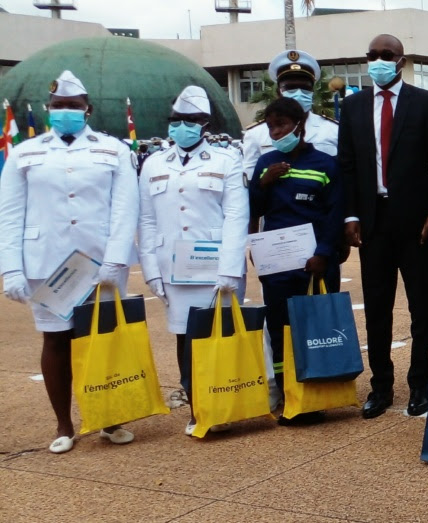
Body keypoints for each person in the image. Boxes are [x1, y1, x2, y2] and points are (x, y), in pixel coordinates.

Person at [0, 71, 139, 453]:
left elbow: (125, 209)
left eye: (73, 107)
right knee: (56, 340)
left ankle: (110, 418)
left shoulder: (113, 150)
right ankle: (64, 423)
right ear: (49, 110)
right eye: (59, 106)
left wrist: (114, 259)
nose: (65, 112)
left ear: (87, 110)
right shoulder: (26, 153)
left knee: (104, 340)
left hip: (99, 263)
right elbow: (9, 214)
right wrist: (10, 267)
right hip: (46, 262)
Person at [339, 34, 428, 419]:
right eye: (372, 55)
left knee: (421, 306)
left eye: (386, 55)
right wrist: (350, 216)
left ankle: (421, 383)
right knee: (377, 307)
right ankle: (381, 386)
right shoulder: (352, 106)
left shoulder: (424, 103)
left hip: (416, 221)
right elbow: (347, 167)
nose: (378, 61)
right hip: (372, 222)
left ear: (400, 61)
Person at [137, 86, 249, 435]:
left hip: (215, 265)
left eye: (188, 121)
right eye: (175, 121)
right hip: (173, 266)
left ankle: (224, 401)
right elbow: (146, 219)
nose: (180, 126)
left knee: (218, 335)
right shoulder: (154, 163)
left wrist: (231, 268)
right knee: (185, 337)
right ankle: (198, 406)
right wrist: (151, 270)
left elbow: (236, 216)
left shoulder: (225, 161)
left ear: (203, 124)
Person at [249, 97, 345, 425]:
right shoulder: (265, 163)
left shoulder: (325, 164)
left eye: (282, 125)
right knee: (279, 327)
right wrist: (265, 183)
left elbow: (335, 214)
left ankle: (316, 395)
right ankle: (288, 391)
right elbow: (252, 209)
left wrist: (324, 253)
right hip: (275, 264)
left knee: (316, 328)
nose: (276, 132)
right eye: (271, 127)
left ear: (299, 126)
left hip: (314, 263)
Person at [242, 50, 339, 182]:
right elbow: (250, 179)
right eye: (291, 88)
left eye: (305, 88)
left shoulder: (333, 130)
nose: (299, 93)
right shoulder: (256, 134)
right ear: (279, 92)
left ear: (312, 92)